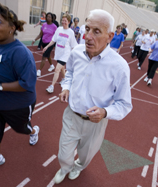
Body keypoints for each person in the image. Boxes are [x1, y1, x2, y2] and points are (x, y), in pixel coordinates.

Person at [53, 9, 132, 184]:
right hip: (72, 116)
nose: (88, 36)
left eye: (96, 31)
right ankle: (65, 167)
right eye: (87, 29)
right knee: (63, 153)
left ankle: (79, 166)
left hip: (95, 124)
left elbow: (124, 104)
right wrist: (66, 87)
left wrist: (104, 112)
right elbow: (70, 73)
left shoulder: (119, 67)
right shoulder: (76, 53)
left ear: (110, 36)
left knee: (86, 155)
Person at [0, 3, 39, 171]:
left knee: (23, 129)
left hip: (16, 104)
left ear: (11, 28)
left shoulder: (20, 53)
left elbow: (27, 85)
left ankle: (33, 131)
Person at [43, 14, 78, 93]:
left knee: (57, 69)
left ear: (69, 22)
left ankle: (51, 86)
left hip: (66, 54)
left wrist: (75, 57)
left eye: (65, 21)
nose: (63, 22)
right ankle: (65, 80)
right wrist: (47, 47)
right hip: (59, 53)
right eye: (62, 20)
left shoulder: (71, 32)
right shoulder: (59, 29)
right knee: (62, 68)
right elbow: (53, 40)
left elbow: (73, 45)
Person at [32, 12, 57, 77]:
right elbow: (41, 34)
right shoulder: (44, 25)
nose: (48, 18)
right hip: (43, 43)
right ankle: (52, 66)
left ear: (52, 18)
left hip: (50, 44)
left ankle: (39, 71)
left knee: (44, 56)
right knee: (47, 55)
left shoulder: (54, 26)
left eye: (49, 17)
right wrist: (35, 39)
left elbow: (56, 36)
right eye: (47, 16)